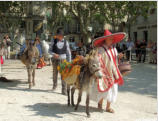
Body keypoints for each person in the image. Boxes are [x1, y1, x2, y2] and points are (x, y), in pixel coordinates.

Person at [91, 29, 125, 113]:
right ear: (105, 39)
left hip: (113, 72)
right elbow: (97, 60)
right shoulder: (100, 49)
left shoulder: (114, 49)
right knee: (103, 87)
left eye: (112, 39)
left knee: (112, 89)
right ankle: (100, 103)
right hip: (104, 72)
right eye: (110, 39)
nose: (111, 40)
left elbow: (114, 59)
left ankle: (108, 107)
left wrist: (119, 57)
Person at [49, 28, 71, 95]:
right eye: (59, 35)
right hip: (55, 60)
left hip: (63, 61)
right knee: (55, 73)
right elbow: (49, 51)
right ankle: (54, 85)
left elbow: (68, 53)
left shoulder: (66, 42)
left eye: (61, 36)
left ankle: (63, 90)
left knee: (63, 75)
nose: (60, 37)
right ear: (57, 35)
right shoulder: (53, 41)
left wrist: (69, 63)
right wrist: (53, 54)